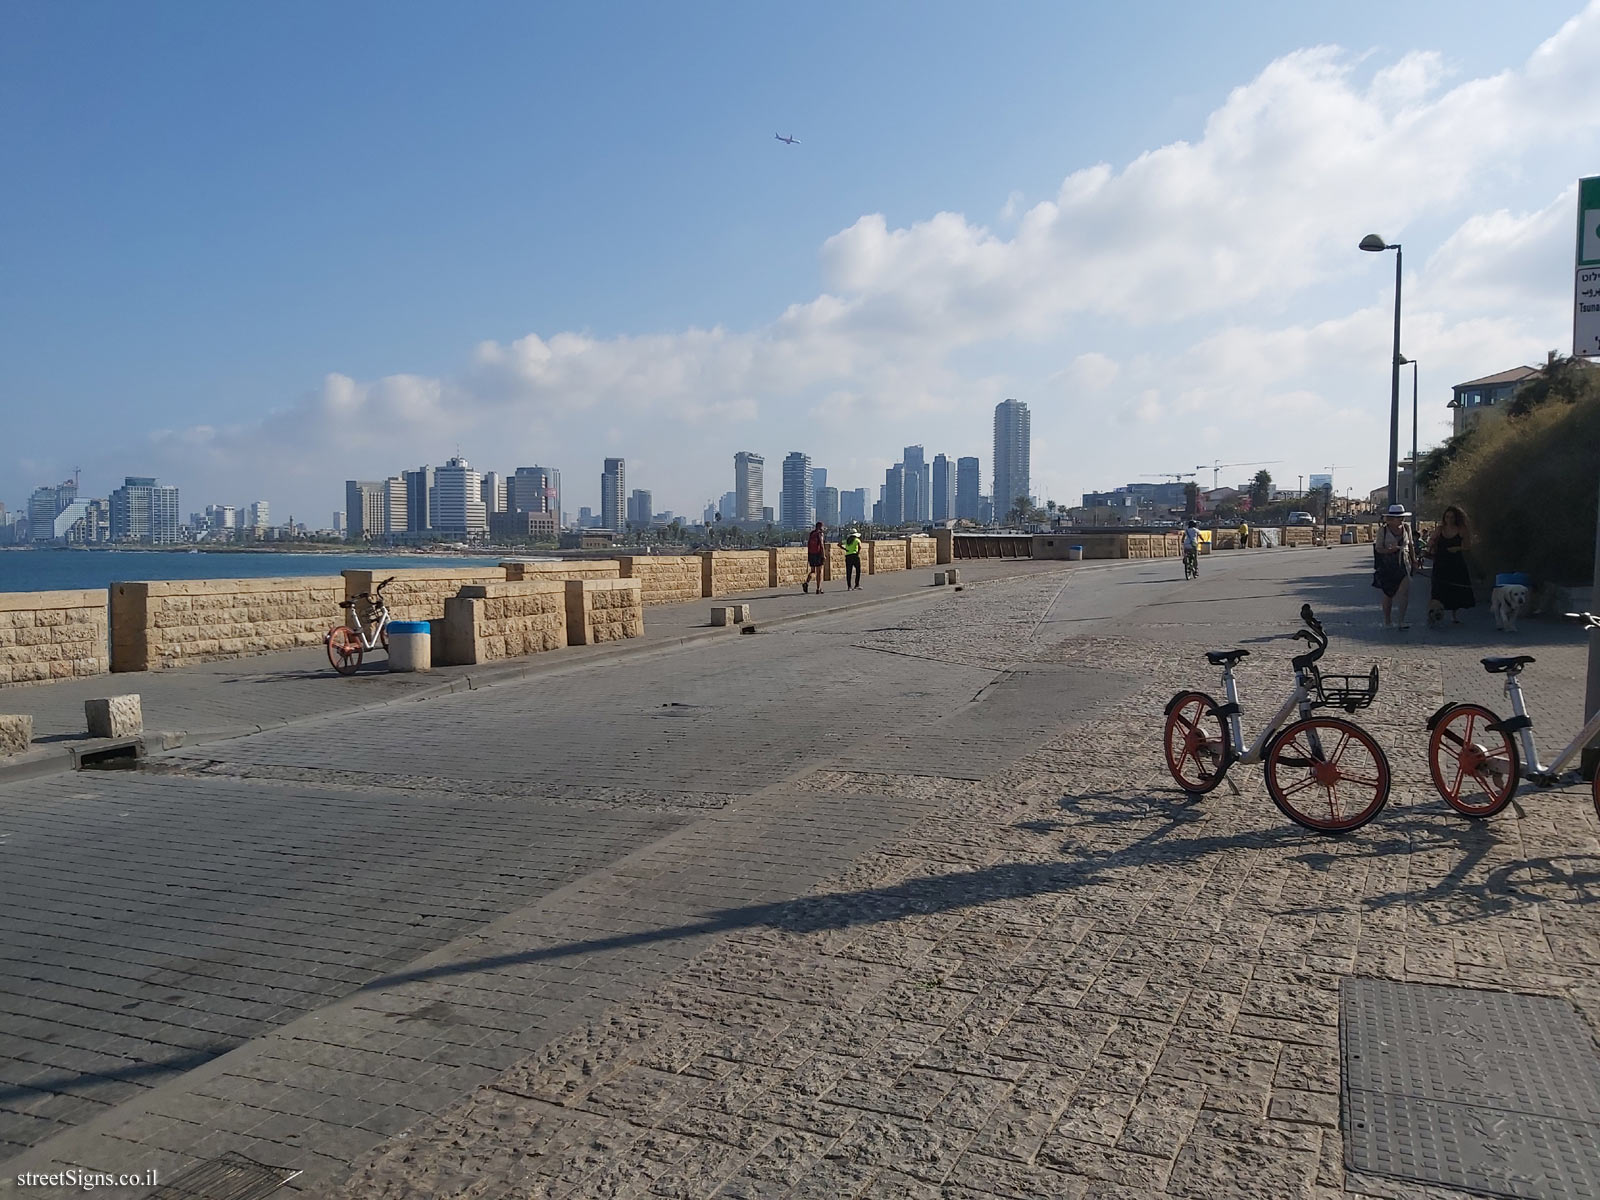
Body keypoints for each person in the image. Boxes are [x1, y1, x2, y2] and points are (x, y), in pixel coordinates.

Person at [1428, 505, 1476, 623]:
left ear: (1456, 518)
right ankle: (1434, 614)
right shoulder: (1440, 529)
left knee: (1455, 589)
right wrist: (1431, 545)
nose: (1449, 519)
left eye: (1452, 517)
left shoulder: (1461, 529)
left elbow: (1468, 545)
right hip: (1440, 562)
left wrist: (1457, 548)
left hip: (1456, 562)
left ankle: (1455, 616)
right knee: (1438, 589)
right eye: (1447, 517)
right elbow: (1431, 540)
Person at [1373, 504, 1415, 629]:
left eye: (1402, 517)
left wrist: (1414, 560)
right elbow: (1378, 548)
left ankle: (1401, 621)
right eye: (1398, 517)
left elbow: (1410, 545)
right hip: (1388, 564)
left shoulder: (1406, 528)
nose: (1401, 520)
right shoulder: (1383, 530)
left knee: (1404, 593)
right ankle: (1387, 621)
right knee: (1388, 593)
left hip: (1404, 562)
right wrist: (1389, 550)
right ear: (1391, 518)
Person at [803, 521, 827, 594]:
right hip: (818, 554)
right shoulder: (820, 534)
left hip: (811, 554)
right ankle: (818, 588)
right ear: (820, 527)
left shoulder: (812, 533)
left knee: (813, 571)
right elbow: (822, 545)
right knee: (819, 571)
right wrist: (823, 555)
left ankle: (806, 582)